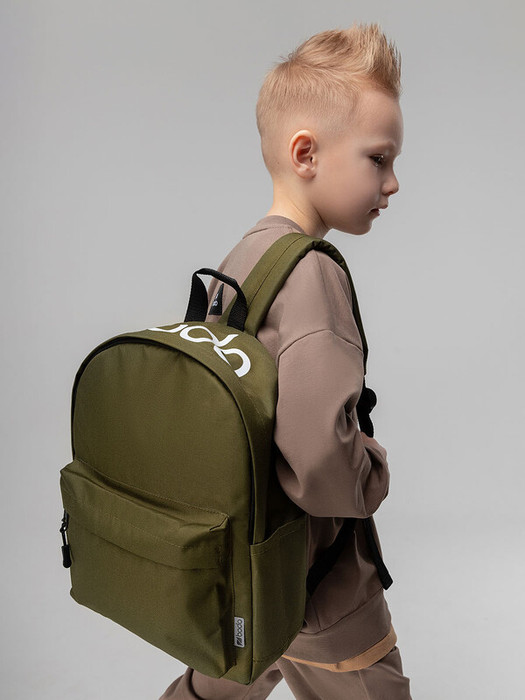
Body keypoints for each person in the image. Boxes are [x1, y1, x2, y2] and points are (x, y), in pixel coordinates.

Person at [159, 22, 411, 699]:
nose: (392, 183)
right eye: (378, 158)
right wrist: (373, 472)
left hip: (245, 565)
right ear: (306, 153)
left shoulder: (240, 259)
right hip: (320, 584)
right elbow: (320, 459)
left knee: (220, 681)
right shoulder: (312, 274)